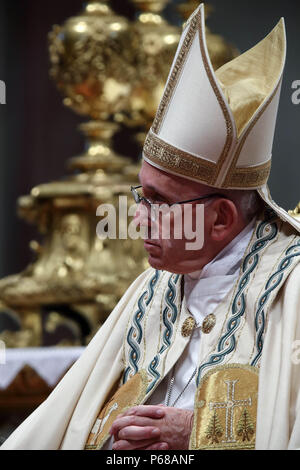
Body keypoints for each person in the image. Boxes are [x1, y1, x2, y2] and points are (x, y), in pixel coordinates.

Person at [2, 3, 300, 451]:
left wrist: (196, 434)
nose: (137, 218)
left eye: (160, 201)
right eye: (142, 195)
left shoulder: (292, 287)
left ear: (221, 218)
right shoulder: (150, 289)